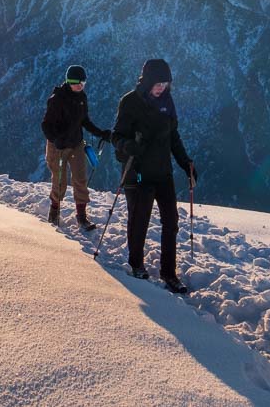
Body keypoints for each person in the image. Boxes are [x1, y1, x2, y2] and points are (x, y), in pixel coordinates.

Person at [112, 58, 197, 294]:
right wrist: (129, 146)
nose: (161, 88)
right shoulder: (130, 102)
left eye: (165, 84)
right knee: (139, 221)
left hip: (163, 173)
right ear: (147, 81)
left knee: (171, 222)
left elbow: (173, 137)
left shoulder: (167, 103)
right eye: (158, 83)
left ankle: (169, 273)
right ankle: (136, 263)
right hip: (138, 173)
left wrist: (185, 163)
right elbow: (116, 136)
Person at [41, 65, 111, 229]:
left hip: (76, 144)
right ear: (69, 82)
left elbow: (84, 120)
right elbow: (45, 125)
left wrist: (100, 133)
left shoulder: (81, 97)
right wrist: (55, 139)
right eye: (77, 83)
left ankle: (81, 216)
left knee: (80, 179)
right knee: (60, 182)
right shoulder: (56, 99)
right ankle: (54, 210)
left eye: (83, 83)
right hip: (57, 146)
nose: (80, 86)